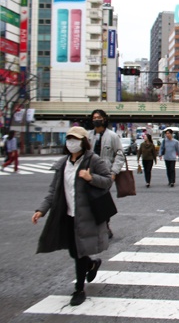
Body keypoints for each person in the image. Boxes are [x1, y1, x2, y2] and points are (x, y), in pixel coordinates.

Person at [32, 126, 112, 306]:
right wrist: (41, 210)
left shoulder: (93, 160)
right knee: (74, 251)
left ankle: (79, 289)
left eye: (75, 139)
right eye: (69, 139)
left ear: (83, 142)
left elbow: (107, 181)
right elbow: (54, 191)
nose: (71, 142)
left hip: (86, 215)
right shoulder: (63, 164)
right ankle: (91, 265)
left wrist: (91, 178)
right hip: (67, 214)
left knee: (79, 250)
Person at [87, 109, 124, 240]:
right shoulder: (88, 136)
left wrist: (114, 172)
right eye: (94, 117)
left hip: (105, 174)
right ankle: (96, 226)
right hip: (89, 174)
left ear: (104, 119)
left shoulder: (112, 136)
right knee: (90, 200)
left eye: (98, 117)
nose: (96, 119)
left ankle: (105, 226)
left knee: (102, 199)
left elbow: (120, 155)